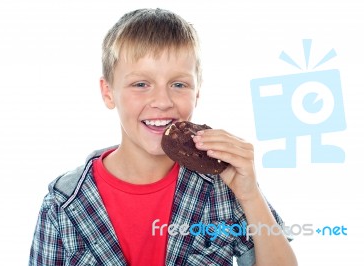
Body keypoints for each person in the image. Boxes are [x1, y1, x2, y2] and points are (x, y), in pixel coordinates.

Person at [29, 8, 297, 266]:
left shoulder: (222, 185)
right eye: (141, 84)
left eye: (179, 84)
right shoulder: (62, 204)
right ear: (108, 92)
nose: (162, 101)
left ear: (197, 93)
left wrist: (249, 194)